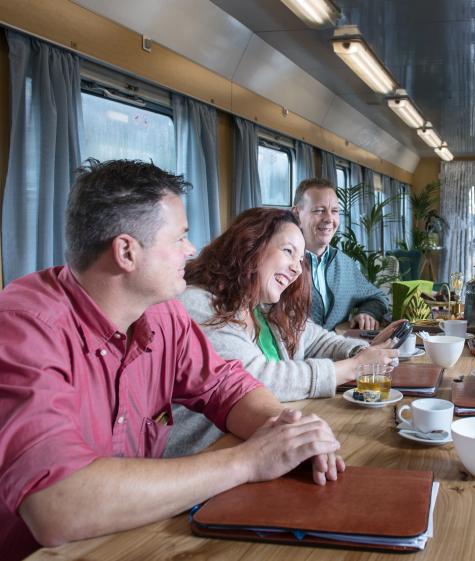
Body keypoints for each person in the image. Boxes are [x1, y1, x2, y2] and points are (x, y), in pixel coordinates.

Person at [0, 160, 343, 561]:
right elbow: (57, 505)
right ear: (126, 252)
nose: (191, 249)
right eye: (180, 237)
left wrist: (289, 431)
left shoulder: (164, 315)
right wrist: (246, 462)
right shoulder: (23, 328)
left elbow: (228, 388)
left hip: (131, 539)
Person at [165, 207, 402, 456]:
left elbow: (318, 339)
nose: (297, 269)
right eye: (288, 251)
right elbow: (254, 381)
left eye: (300, 260)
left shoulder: (262, 306)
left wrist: (364, 352)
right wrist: (354, 367)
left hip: (263, 445)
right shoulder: (198, 305)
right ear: (250, 245)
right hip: (206, 460)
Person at [293, 178, 390, 331]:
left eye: (334, 211)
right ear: (297, 215)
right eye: (319, 210)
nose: (329, 219)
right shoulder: (283, 263)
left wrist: (368, 313)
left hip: (339, 346)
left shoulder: (345, 264)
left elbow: (378, 297)